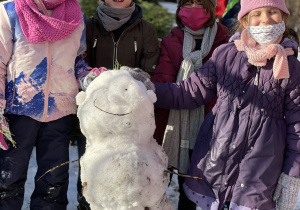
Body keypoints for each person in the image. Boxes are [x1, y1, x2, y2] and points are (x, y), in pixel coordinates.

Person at [153, 0, 300, 209]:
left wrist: (291, 174)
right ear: (245, 20)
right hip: (213, 169)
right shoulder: (226, 54)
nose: (265, 19)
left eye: (272, 11)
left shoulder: (291, 67)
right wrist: (145, 90)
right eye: (257, 13)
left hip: (259, 176)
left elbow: (297, 128)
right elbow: (189, 92)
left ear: (284, 18)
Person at [0, 0, 90, 209]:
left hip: (61, 112)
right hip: (17, 111)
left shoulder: (75, 15)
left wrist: (89, 77)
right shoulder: (10, 11)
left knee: (54, 183)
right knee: (7, 178)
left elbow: (78, 59)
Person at [75, 0, 160, 209]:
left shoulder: (146, 29)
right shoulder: (87, 27)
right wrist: (88, 80)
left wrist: (139, 78)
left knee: (129, 178)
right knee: (89, 174)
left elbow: (151, 72)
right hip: (96, 120)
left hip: (130, 122)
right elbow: (78, 61)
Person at [151, 0, 229, 209]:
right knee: (183, 184)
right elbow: (163, 81)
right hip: (175, 126)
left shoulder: (225, 42)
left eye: (199, 2)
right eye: (188, 2)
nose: (193, 7)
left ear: (211, 8)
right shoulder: (170, 41)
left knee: (203, 187)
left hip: (211, 126)